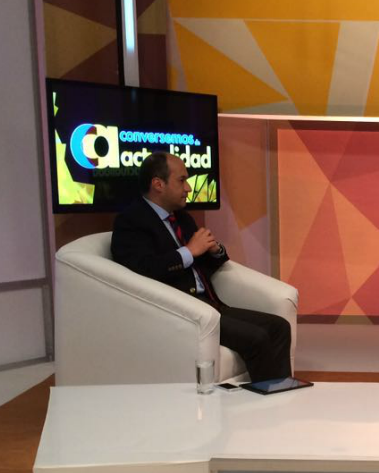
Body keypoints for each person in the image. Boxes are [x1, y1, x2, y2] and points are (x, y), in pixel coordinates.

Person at [111, 152, 291, 382]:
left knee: (279, 327)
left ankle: (280, 392)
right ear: (158, 184)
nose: (188, 188)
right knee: (257, 338)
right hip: (183, 311)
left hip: (211, 304)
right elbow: (144, 269)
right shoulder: (131, 222)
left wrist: (215, 251)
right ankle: (264, 397)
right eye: (182, 180)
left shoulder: (182, 218)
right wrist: (189, 251)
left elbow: (202, 263)